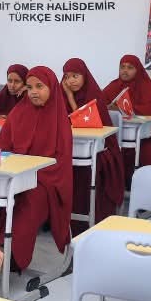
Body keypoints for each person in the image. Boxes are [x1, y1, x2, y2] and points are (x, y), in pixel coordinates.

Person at [0, 66, 72, 274]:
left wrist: (29, 174)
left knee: (30, 200)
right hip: (12, 176)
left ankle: (5, 252)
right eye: (29, 87)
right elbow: (1, 147)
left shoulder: (60, 120)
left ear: (52, 88)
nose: (33, 92)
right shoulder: (19, 112)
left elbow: (61, 164)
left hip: (45, 181)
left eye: (40, 86)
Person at [60, 58, 124, 231]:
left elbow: (84, 125)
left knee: (86, 171)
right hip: (72, 149)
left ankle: (84, 219)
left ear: (85, 76)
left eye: (75, 76)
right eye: (66, 77)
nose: (70, 80)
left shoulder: (94, 95)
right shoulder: (60, 95)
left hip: (100, 149)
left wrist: (70, 97)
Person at [102, 54, 151, 185]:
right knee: (105, 153)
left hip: (147, 135)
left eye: (130, 67)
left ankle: (146, 190)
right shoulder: (114, 85)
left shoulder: (146, 87)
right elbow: (100, 105)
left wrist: (128, 109)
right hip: (117, 136)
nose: (125, 71)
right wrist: (109, 108)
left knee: (148, 152)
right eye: (122, 67)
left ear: (137, 70)